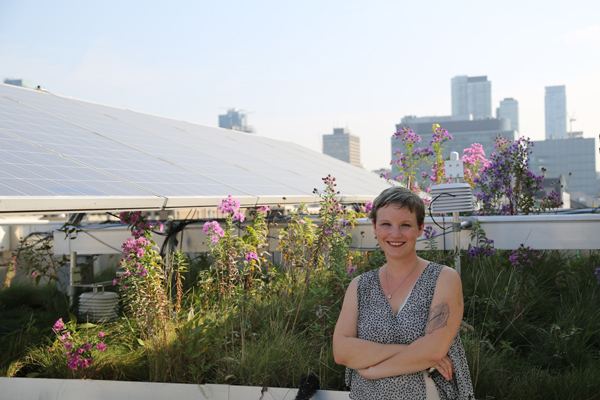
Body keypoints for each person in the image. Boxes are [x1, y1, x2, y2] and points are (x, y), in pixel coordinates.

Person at [333, 186, 474, 400]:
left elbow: (434, 351)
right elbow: (342, 351)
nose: (395, 234)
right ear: (374, 227)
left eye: (405, 225)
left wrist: (374, 370)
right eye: (386, 224)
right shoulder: (360, 286)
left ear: (420, 228)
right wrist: (414, 351)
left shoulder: (443, 279)